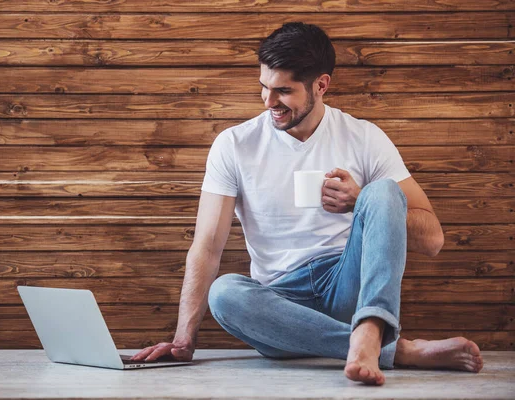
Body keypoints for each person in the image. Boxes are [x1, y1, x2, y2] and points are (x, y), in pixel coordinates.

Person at [131, 22, 484, 385]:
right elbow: (206, 246)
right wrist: (183, 339)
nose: (269, 103)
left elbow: (433, 239)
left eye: (283, 91)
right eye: (264, 88)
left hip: (346, 286)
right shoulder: (234, 145)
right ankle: (391, 349)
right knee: (225, 294)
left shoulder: (364, 138)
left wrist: (359, 202)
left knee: (381, 192)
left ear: (321, 85)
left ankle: (370, 326)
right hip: (278, 306)